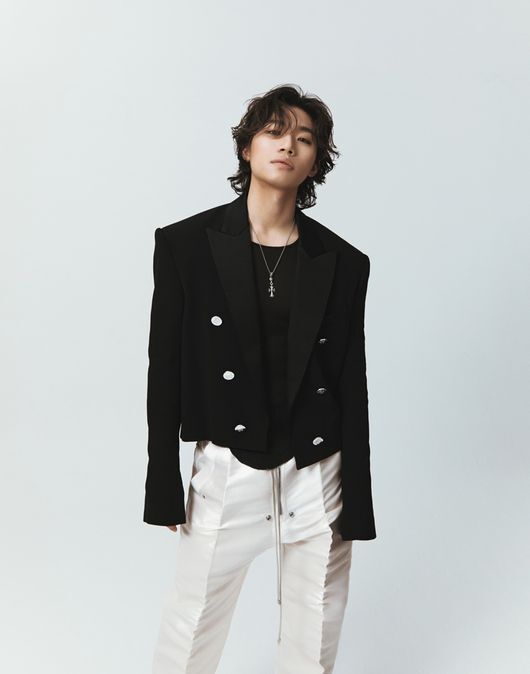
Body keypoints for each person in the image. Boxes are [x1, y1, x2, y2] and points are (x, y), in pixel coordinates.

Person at [143, 83, 376, 674]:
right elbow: (164, 367)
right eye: (274, 132)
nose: (287, 145)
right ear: (246, 148)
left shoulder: (344, 262)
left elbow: (351, 383)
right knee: (190, 629)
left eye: (304, 139)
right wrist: (162, 480)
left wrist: (358, 497)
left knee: (312, 641)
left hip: (317, 473)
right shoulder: (185, 246)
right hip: (227, 469)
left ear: (316, 162)